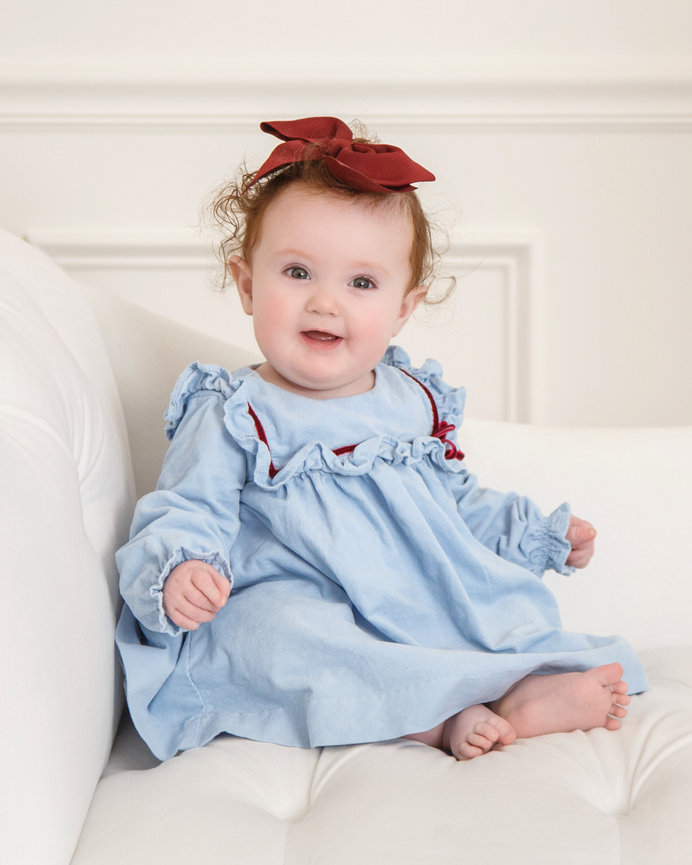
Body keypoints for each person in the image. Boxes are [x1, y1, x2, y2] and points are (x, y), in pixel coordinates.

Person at [116, 117, 648, 762]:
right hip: (299, 597)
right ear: (248, 284)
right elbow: (188, 506)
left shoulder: (411, 399)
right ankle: (438, 720)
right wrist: (182, 569)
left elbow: (455, 503)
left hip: (409, 602)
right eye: (297, 272)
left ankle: (505, 693)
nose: (325, 303)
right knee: (278, 636)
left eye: (361, 282)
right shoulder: (233, 410)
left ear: (403, 306)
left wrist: (535, 532)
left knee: (483, 613)